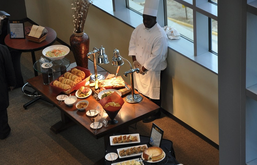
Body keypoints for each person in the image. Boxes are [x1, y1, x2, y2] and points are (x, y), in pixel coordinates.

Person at [128, 0, 168, 123]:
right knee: (141, 90)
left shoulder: (160, 35)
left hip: (153, 69)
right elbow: (132, 44)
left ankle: (155, 112)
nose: (145, 22)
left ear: (154, 19)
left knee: (153, 92)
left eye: (148, 19)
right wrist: (135, 61)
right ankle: (144, 110)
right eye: (144, 18)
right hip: (139, 65)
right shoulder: (139, 29)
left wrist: (143, 68)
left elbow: (156, 56)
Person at [0, 44, 16, 139]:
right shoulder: (2, 49)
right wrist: (12, 83)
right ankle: (3, 132)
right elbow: (9, 69)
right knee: (1, 112)